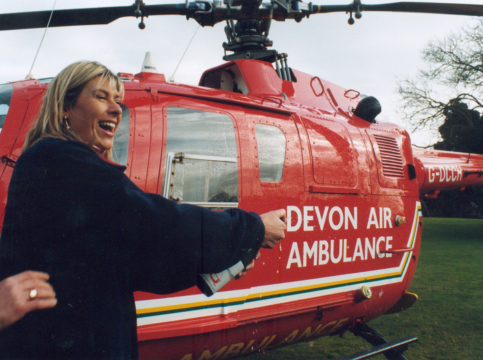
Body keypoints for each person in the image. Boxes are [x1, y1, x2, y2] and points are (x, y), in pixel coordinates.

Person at [0, 61, 286, 359]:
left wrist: (227, 259)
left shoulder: (61, 167)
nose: (116, 110)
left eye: (118, 101)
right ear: (64, 108)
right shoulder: (59, 159)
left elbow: (138, 266)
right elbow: (158, 223)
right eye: (101, 97)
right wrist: (254, 228)